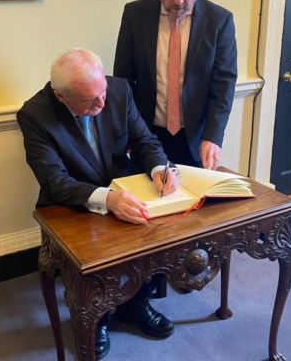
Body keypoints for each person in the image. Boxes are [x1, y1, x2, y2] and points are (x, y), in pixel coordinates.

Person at [17, 48, 178, 360]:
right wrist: (108, 200)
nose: (102, 104)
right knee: (94, 255)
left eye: (102, 93)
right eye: (90, 100)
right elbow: (54, 181)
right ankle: (99, 317)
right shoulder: (35, 115)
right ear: (60, 96)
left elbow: (144, 140)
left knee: (158, 231)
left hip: (122, 185)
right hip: (72, 202)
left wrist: (160, 168)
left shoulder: (117, 89)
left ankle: (136, 304)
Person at [114, 0, 238, 170]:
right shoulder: (135, 15)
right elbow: (123, 82)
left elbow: (223, 85)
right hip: (145, 136)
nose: (179, 0)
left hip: (195, 140)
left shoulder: (219, 21)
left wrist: (212, 137)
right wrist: (125, 132)